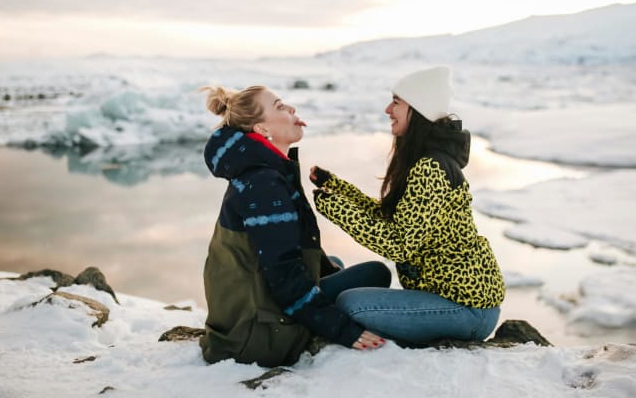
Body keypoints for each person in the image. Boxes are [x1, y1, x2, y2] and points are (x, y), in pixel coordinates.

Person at [310, 66, 506, 345]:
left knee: (351, 304)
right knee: (369, 279)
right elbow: (389, 218)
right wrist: (336, 188)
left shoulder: (431, 168)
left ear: (418, 109)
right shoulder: (427, 160)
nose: (387, 109)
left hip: (466, 309)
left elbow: (399, 244)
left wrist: (334, 208)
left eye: (396, 102)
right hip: (452, 299)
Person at [199, 85, 391, 367]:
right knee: (376, 273)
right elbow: (283, 271)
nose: (291, 109)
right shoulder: (264, 184)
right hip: (258, 336)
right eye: (279, 106)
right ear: (262, 129)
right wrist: (342, 330)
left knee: (331, 263)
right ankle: (305, 320)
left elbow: (287, 247)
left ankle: (314, 301)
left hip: (244, 317)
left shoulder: (264, 173)